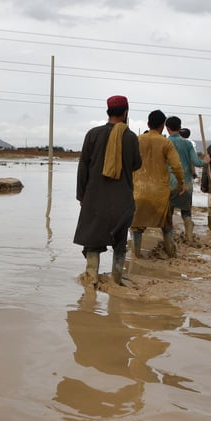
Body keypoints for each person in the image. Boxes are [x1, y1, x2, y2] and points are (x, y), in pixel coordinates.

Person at [74, 95, 142, 285]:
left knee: (93, 242)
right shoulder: (130, 137)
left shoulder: (93, 134)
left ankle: (91, 280)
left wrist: (81, 196)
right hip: (122, 200)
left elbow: (83, 167)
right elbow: (137, 164)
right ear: (126, 112)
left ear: (108, 112)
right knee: (119, 244)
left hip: (94, 198)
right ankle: (117, 281)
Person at [130, 110, 185, 258]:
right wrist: (181, 183)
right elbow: (177, 166)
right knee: (166, 225)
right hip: (159, 193)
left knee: (136, 227)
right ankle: (171, 254)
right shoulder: (165, 142)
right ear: (162, 126)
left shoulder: (137, 140)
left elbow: (127, 164)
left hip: (138, 191)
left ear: (148, 124)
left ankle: (136, 255)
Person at [165, 116, 209, 242]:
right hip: (186, 184)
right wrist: (206, 161)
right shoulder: (187, 143)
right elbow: (196, 162)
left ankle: (169, 241)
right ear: (179, 127)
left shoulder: (165, 142)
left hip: (170, 183)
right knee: (186, 212)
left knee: (169, 213)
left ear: (167, 128)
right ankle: (189, 238)